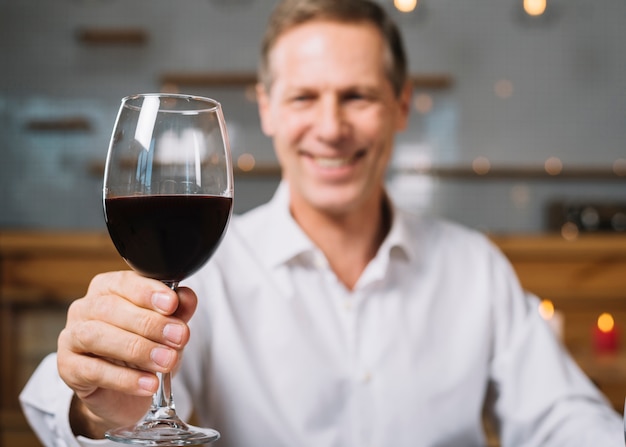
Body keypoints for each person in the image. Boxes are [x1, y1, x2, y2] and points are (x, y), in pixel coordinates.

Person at [20, 0, 623, 446]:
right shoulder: (215, 273)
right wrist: (95, 408)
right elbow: (56, 409)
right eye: (305, 97)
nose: (331, 127)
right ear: (268, 108)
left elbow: (567, 420)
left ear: (401, 106)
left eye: (357, 96)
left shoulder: (475, 267)